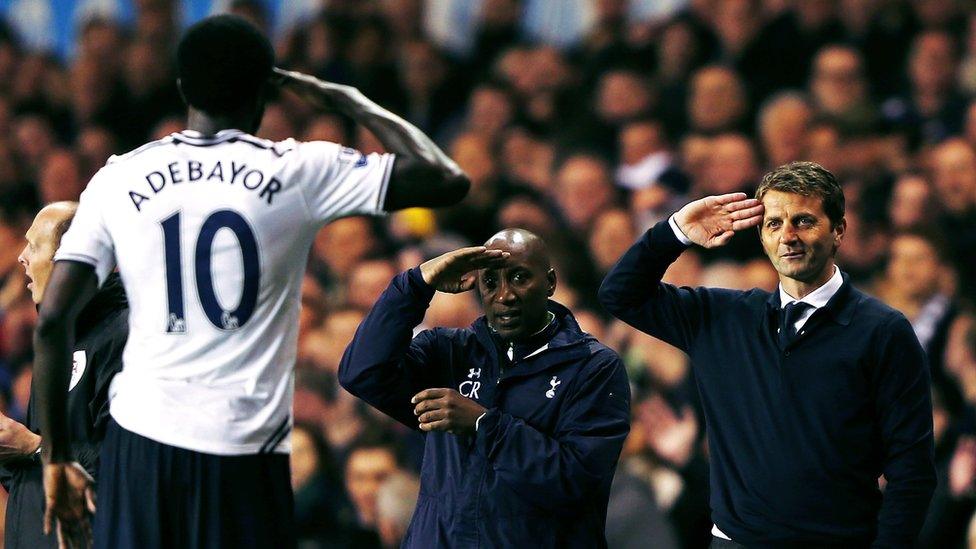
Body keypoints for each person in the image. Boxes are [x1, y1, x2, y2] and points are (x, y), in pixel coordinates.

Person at [32, 14, 470, 549]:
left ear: (181, 87)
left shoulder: (119, 176)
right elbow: (446, 178)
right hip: (243, 449)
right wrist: (348, 100)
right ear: (265, 92)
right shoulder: (296, 170)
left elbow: (53, 320)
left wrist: (56, 456)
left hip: (140, 445)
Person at [599, 161, 936, 547]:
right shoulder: (720, 317)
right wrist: (675, 233)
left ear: (838, 230)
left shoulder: (883, 331)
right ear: (761, 236)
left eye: (804, 221)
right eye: (774, 224)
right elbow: (619, 294)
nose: (788, 236)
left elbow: (912, 470)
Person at [338, 229, 631, 548]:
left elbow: (576, 481)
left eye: (519, 278)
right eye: (491, 282)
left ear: (549, 282)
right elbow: (362, 372)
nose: (504, 295)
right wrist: (416, 285)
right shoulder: (448, 352)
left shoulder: (593, 367)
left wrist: (483, 425)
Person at [1, 202, 126, 549]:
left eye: (35, 246)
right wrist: (11, 451)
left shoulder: (125, 336)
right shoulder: (58, 341)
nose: (22, 258)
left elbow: (128, 464)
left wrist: (33, 446)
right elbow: (41, 476)